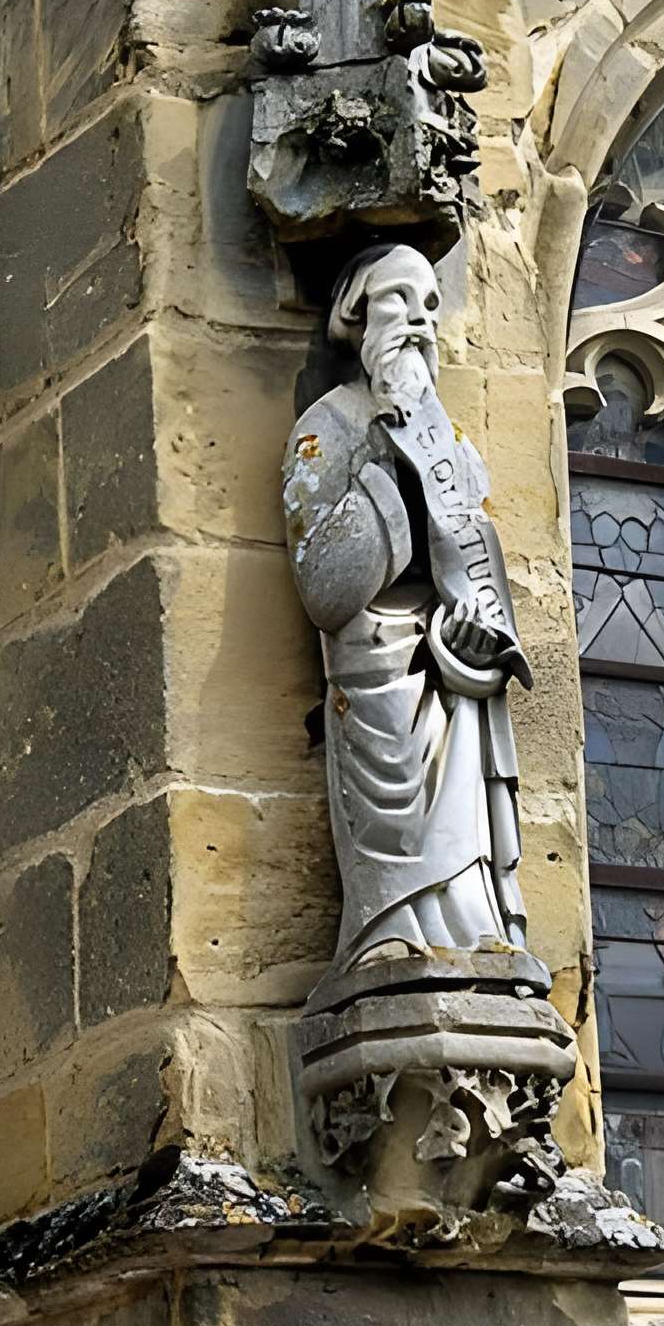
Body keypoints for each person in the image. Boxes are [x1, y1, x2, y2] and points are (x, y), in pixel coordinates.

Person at [283, 242, 533, 984]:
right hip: (375, 669)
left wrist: (474, 637)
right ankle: (387, 929)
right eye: (398, 300)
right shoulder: (327, 424)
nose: (420, 320)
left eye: (430, 304)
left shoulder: (452, 443)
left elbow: (482, 572)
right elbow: (324, 588)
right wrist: (389, 475)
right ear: (356, 317)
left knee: (461, 812)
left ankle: (473, 925)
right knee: (392, 811)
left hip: (447, 676)